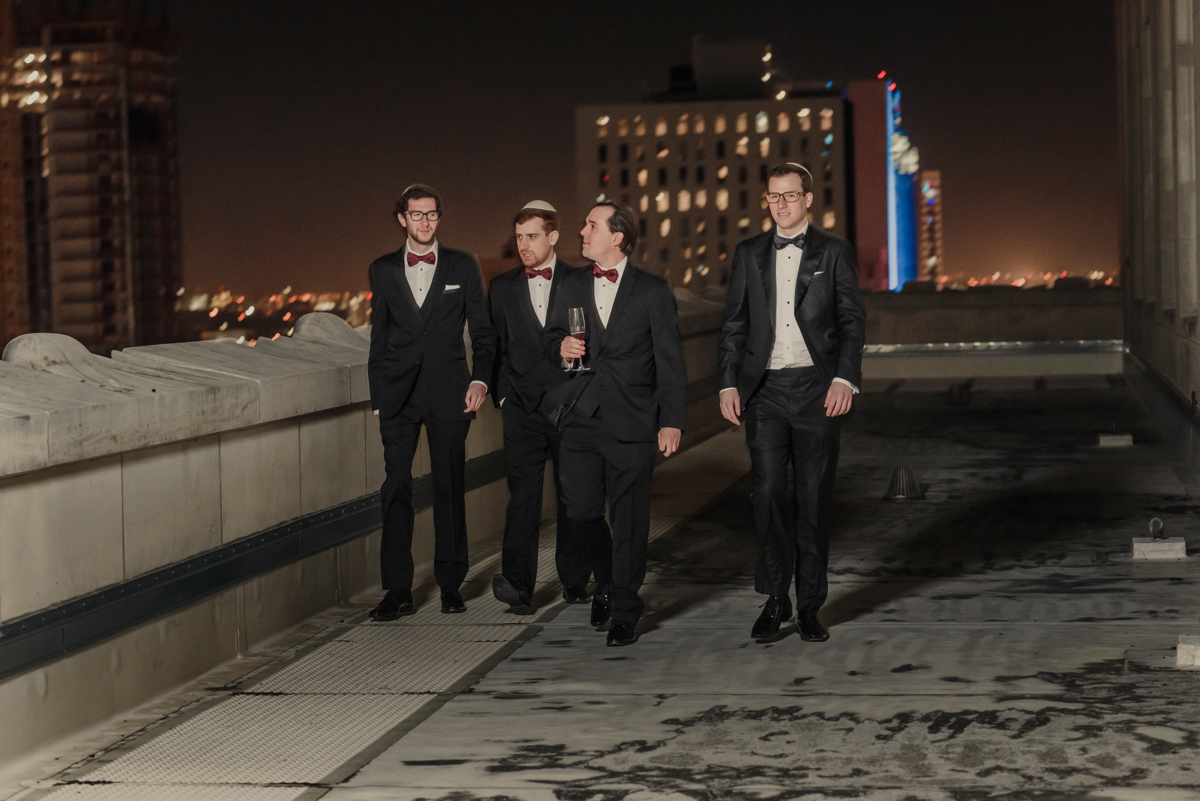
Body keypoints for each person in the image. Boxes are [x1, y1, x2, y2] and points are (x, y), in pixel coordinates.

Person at [717, 162, 865, 643]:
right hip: (764, 391)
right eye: (773, 196)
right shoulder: (748, 253)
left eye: (790, 195)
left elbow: (852, 321)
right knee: (765, 496)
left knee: (813, 499)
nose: (780, 204)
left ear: (808, 199)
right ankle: (775, 597)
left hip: (817, 389)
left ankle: (809, 606)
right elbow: (734, 324)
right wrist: (727, 383)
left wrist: (845, 378)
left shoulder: (834, 251)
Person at [544, 201, 687, 646]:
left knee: (629, 520)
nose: (583, 232)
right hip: (581, 416)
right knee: (580, 510)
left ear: (617, 237)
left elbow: (670, 362)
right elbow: (551, 336)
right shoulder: (569, 283)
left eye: (592, 225)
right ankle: (606, 580)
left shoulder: (653, 291)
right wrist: (560, 347)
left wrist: (671, 421)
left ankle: (625, 610)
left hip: (634, 420)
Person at [367, 183, 496, 620]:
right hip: (398, 397)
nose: (424, 222)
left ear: (439, 217)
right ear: (402, 218)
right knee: (395, 488)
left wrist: (480, 379)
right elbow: (379, 339)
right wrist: (379, 402)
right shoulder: (383, 269)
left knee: (449, 486)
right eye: (416, 214)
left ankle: (451, 584)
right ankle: (397, 591)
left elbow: (482, 331)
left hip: (450, 393)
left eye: (432, 214)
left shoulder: (463, 264)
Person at [489, 200, 591, 614]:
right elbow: (495, 346)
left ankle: (575, 580)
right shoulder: (502, 287)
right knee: (522, 498)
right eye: (519, 237)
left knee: (573, 496)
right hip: (521, 409)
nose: (524, 245)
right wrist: (502, 396)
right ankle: (517, 586)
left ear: (553, 237)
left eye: (532, 236)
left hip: (569, 405)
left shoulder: (580, 280)